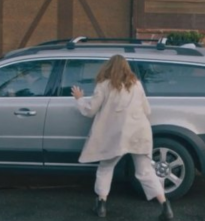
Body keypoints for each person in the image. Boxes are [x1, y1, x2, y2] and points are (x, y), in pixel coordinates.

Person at [71, 55, 174, 220]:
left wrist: (79, 99)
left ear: (108, 68)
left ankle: (102, 205)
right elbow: (147, 111)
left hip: (116, 135)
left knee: (106, 167)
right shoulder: (137, 85)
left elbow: (90, 110)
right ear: (127, 68)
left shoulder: (103, 85)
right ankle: (165, 206)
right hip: (139, 132)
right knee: (145, 171)